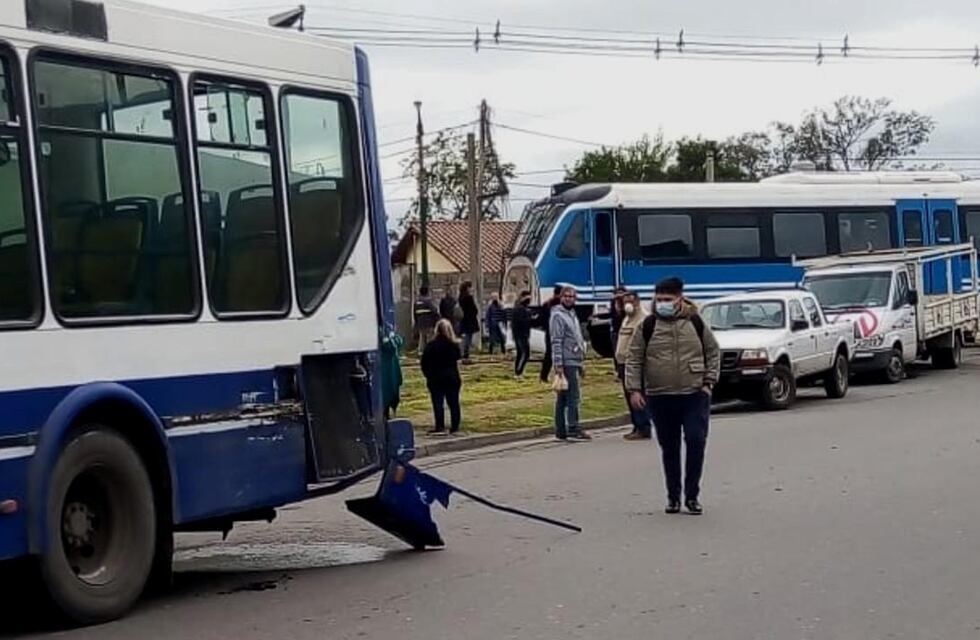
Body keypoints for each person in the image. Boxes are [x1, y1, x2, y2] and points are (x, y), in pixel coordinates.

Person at [625, 277, 720, 515]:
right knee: (670, 447)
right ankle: (673, 497)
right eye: (659, 299)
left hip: (694, 394)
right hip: (660, 395)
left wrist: (709, 382)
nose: (663, 303)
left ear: (679, 299)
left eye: (668, 299)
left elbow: (713, 351)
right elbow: (634, 358)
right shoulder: (647, 326)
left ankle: (692, 496)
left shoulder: (695, 322)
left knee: (696, 440)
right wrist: (634, 390)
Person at [551, 286, 591, 441]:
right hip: (567, 361)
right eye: (566, 296)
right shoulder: (558, 316)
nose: (569, 299)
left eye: (572, 296)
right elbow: (556, 341)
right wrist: (558, 364)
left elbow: (577, 337)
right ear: (561, 297)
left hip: (575, 360)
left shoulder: (572, 314)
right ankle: (573, 427)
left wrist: (581, 362)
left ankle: (561, 430)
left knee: (563, 397)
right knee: (573, 397)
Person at [615, 290, 653, 441]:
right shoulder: (627, 318)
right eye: (625, 302)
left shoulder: (643, 318)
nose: (627, 304)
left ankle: (644, 426)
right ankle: (636, 425)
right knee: (629, 395)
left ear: (637, 301)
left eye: (630, 301)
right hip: (623, 363)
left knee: (637, 394)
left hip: (636, 363)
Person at [420, 319, 463, 435]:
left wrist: (428, 375)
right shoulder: (453, 345)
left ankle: (440, 426)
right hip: (451, 377)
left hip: (435, 378)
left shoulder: (431, 346)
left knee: (438, 403)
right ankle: (455, 426)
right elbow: (458, 359)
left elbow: (424, 363)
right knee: (454, 403)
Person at [539, 285, 563, 382]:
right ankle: (559, 374)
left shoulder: (547, 304)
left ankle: (543, 375)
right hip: (560, 332)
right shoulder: (561, 305)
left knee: (548, 355)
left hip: (549, 332)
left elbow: (541, 320)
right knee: (559, 354)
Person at [511, 291, 534, 377]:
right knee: (526, 353)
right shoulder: (521, 309)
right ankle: (519, 372)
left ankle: (517, 371)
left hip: (518, 334)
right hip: (522, 334)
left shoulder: (517, 307)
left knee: (520, 353)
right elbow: (523, 322)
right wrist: (530, 317)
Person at [458, 281, 480, 361]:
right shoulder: (469, 298)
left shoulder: (460, 297)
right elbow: (474, 309)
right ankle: (465, 352)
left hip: (463, 319)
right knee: (468, 336)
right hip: (470, 319)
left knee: (465, 336)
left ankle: (462, 351)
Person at [413, 286, 439, 355]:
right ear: (427, 292)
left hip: (420, 324)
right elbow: (435, 311)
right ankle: (430, 353)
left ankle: (421, 352)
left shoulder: (417, 303)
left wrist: (417, 323)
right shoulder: (428, 301)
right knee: (430, 339)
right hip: (429, 323)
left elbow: (415, 314)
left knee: (422, 339)